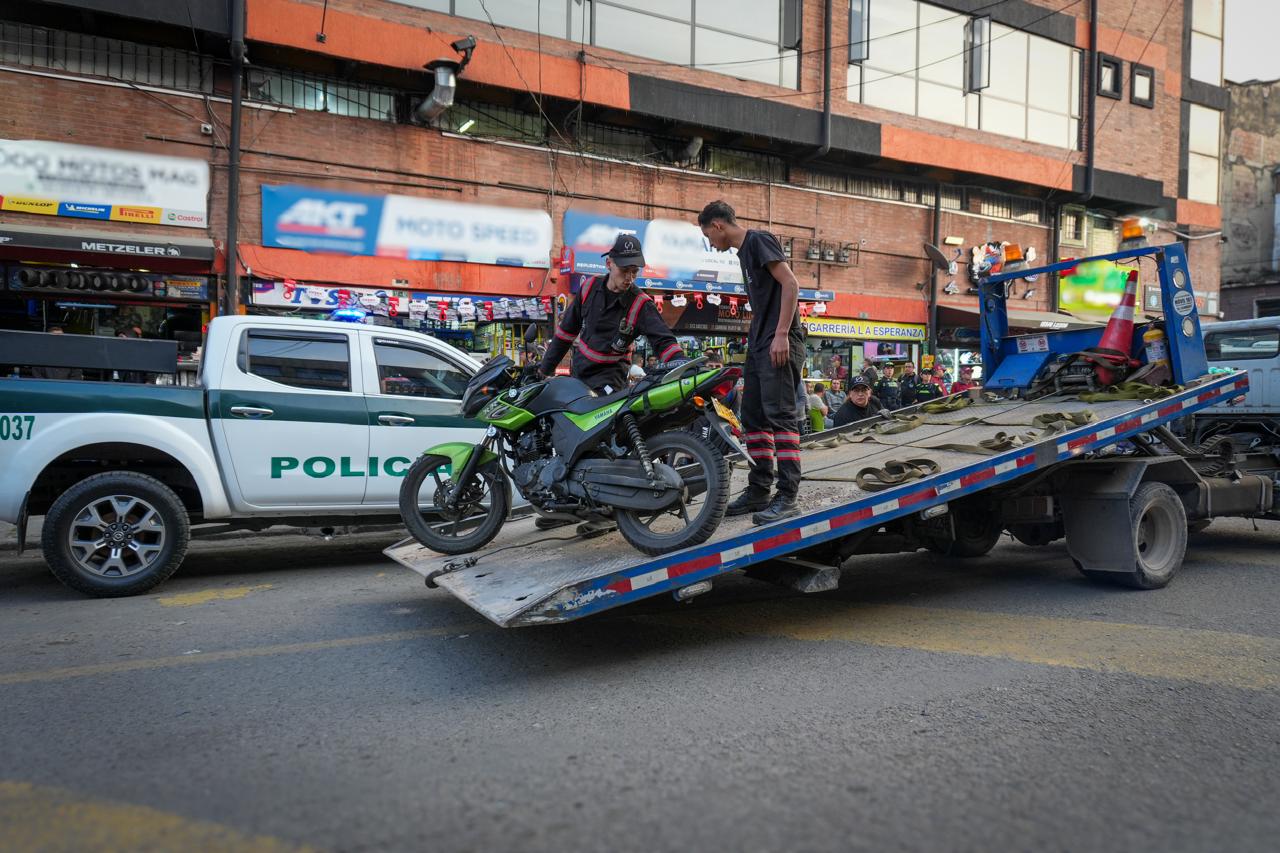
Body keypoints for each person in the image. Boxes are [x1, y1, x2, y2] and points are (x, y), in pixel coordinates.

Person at [699, 199, 803, 524]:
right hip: (760, 344)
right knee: (754, 417)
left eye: (708, 235)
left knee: (781, 417)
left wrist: (782, 333)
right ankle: (759, 491)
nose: (711, 244)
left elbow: (791, 283)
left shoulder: (758, 240)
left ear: (718, 225)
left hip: (779, 342)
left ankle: (787, 497)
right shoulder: (744, 253)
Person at [539, 233, 682, 394]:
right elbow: (566, 334)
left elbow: (665, 342)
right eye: (624, 270)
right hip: (579, 377)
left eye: (634, 271)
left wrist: (683, 365)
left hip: (610, 384)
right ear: (609, 263)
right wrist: (543, 372)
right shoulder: (589, 287)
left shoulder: (641, 304)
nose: (629, 278)